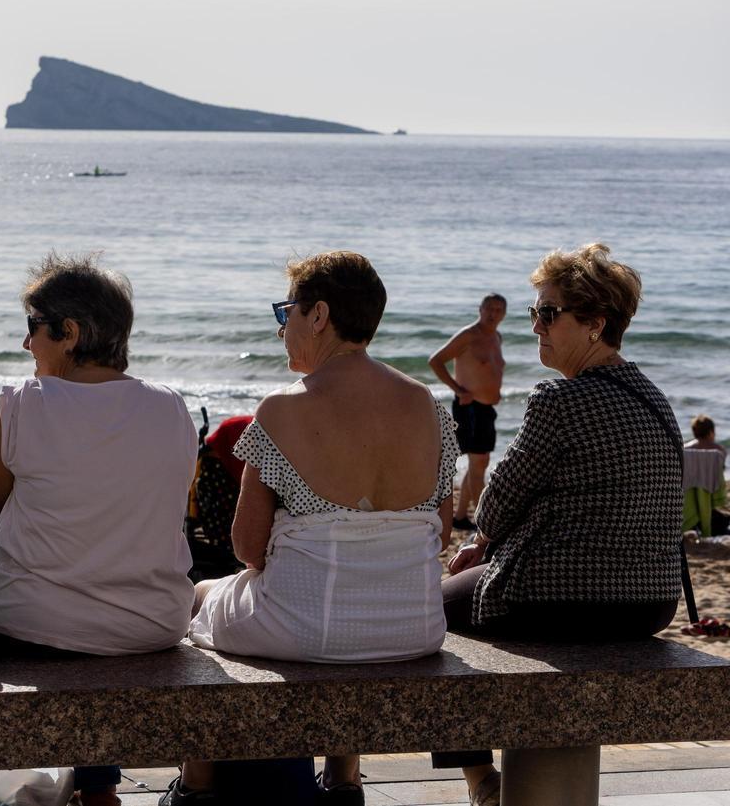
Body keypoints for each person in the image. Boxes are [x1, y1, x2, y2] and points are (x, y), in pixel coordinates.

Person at [169, 252, 459, 806]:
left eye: (287, 312)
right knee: (346, 589)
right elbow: (440, 533)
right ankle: (344, 781)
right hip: (412, 629)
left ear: (319, 314)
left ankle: (197, 784)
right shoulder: (426, 405)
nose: (283, 329)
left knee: (202, 595)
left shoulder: (281, 409)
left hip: (307, 629)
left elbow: (248, 548)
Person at [434, 244, 683, 805]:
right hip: (650, 601)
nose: (536, 326)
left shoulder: (561, 400)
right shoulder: (654, 398)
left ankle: (480, 781)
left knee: (425, 615)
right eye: (534, 312)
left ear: (595, 324)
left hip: (567, 594)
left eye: (549, 313)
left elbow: (499, 501)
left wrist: (480, 544)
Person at [0, 252, 197, 806]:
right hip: (151, 623)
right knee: (93, 605)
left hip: (31, 620)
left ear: (68, 333)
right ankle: (99, 789)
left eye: (33, 329)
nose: (27, 345)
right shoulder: (171, 408)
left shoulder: (24, 404)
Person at [429, 293, 507, 530]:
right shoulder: (469, 335)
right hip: (470, 408)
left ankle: (461, 517)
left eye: (499, 310)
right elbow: (436, 360)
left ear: (504, 314)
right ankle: (485, 524)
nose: (493, 313)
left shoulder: (497, 337)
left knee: (478, 464)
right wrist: (458, 389)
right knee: (479, 461)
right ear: (480, 309)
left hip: (487, 409)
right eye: (489, 308)